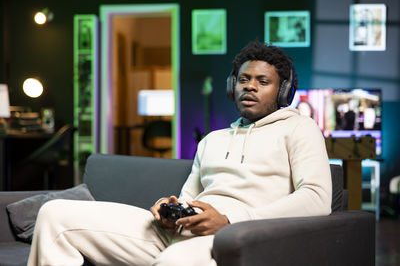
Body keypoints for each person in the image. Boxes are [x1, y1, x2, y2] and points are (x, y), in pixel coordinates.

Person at [27, 40, 332, 266]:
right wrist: (169, 210)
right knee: (56, 215)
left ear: (282, 92)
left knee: (175, 261)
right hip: (183, 232)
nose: (250, 87)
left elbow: (317, 199)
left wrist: (230, 219)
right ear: (232, 86)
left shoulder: (299, 129)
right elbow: (189, 197)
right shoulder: (212, 139)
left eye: (262, 82)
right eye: (243, 79)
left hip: (236, 238)